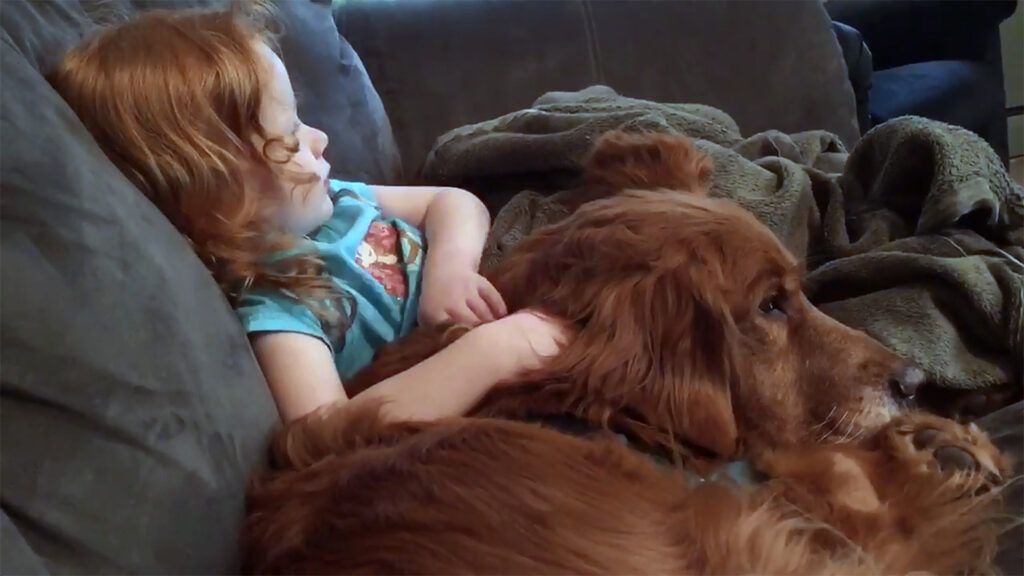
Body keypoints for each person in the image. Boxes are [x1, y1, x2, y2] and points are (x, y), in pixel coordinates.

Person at [50, 5, 566, 423]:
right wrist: (497, 352)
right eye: (291, 135)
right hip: (494, 370)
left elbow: (451, 201)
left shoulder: (339, 201)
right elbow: (327, 430)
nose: (320, 139)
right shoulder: (281, 307)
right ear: (219, 190)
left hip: (498, 274)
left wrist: (448, 273)